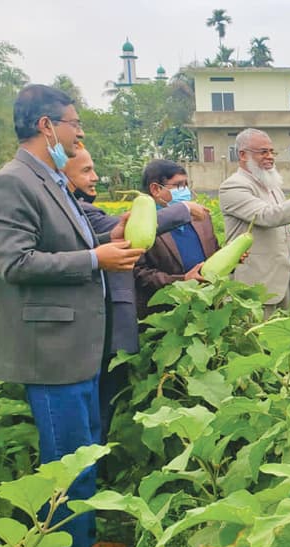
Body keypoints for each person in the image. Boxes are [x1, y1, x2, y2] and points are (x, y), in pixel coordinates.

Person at [0, 84, 144, 547]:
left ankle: (83, 544)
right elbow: (15, 261)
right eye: (74, 122)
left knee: (83, 449)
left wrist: (107, 236)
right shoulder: (12, 182)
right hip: (49, 348)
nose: (80, 132)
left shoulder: (50, 179)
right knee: (66, 458)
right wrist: (96, 258)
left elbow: (68, 239)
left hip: (75, 344)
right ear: (46, 126)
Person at [64, 146, 204, 442]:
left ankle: (97, 464)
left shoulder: (82, 209)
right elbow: (121, 233)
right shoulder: (75, 211)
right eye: (86, 171)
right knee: (95, 410)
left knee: (104, 404)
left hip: (115, 326)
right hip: (104, 326)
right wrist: (182, 210)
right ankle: (89, 472)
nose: (96, 177)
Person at [219, 128, 290, 316]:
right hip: (253, 289)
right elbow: (267, 216)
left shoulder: (273, 188)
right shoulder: (233, 186)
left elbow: (283, 230)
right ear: (242, 155)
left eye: (272, 151)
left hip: (282, 284)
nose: (270, 157)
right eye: (263, 152)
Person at [135, 159, 220, 318]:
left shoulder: (201, 217)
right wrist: (183, 280)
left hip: (207, 306)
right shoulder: (141, 224)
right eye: (179, 186)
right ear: (155, 189)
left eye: (187, 185)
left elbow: (214, 251)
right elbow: (140, 275)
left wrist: (233, 258)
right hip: (167, 313)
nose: (186, 191)